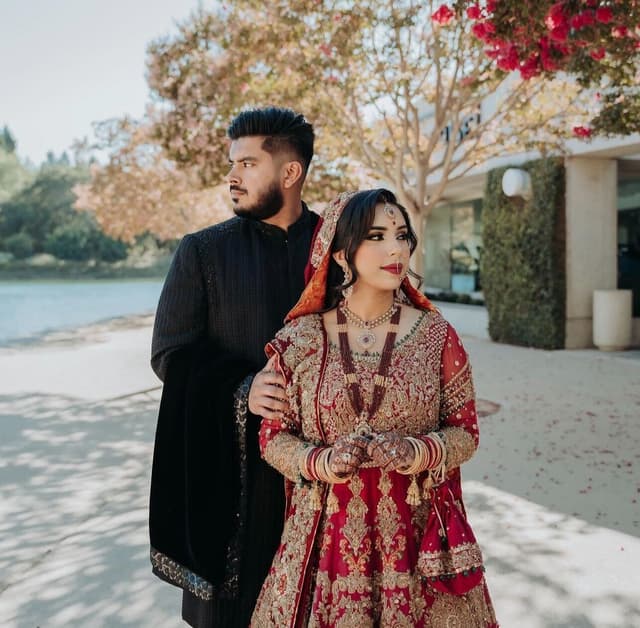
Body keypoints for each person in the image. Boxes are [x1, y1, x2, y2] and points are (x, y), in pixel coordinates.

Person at [252, 189, 498, 627]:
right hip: (325, 542)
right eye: (377, 236)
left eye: (402, 236)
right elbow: (272, 437)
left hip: (416, 540)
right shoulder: (302, 340)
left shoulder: (437, 335)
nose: (395, 249)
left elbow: (465, 433)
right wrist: (321, 460)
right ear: (343, 252)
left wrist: (417, 452)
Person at [148, 106, 320, 627]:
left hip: (324, 476)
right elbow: (170, 353)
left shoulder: (336, 248)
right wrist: (242, 389)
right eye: (232, 163)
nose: (232, 175)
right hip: (232, 476)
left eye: (247, 163)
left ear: (290, 173)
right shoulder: (202, 251)